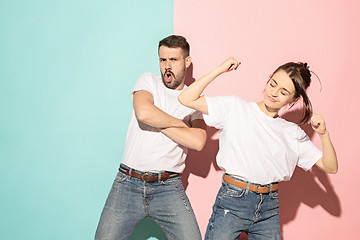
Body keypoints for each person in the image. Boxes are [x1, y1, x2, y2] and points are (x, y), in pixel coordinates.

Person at [178, 57, 338, 240]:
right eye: (273, 84)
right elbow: (185, 98)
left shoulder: (292, 132)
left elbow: (330, 166)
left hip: (268, 207)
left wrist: (324, 134)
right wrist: (220, 69)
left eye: (283, 91)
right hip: (233, 200)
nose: (274, 92)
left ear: (293, 99)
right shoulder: (235, 108)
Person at [95, 35, 207, 240]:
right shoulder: (148, 81)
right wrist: (182, 124)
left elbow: (198, 141)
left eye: (173, 59)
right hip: (128, 182)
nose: (167, 66)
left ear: (187, 62)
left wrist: (160, 121)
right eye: (163, 60)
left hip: (169, 187)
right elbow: (144, 113)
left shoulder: (193, 100)